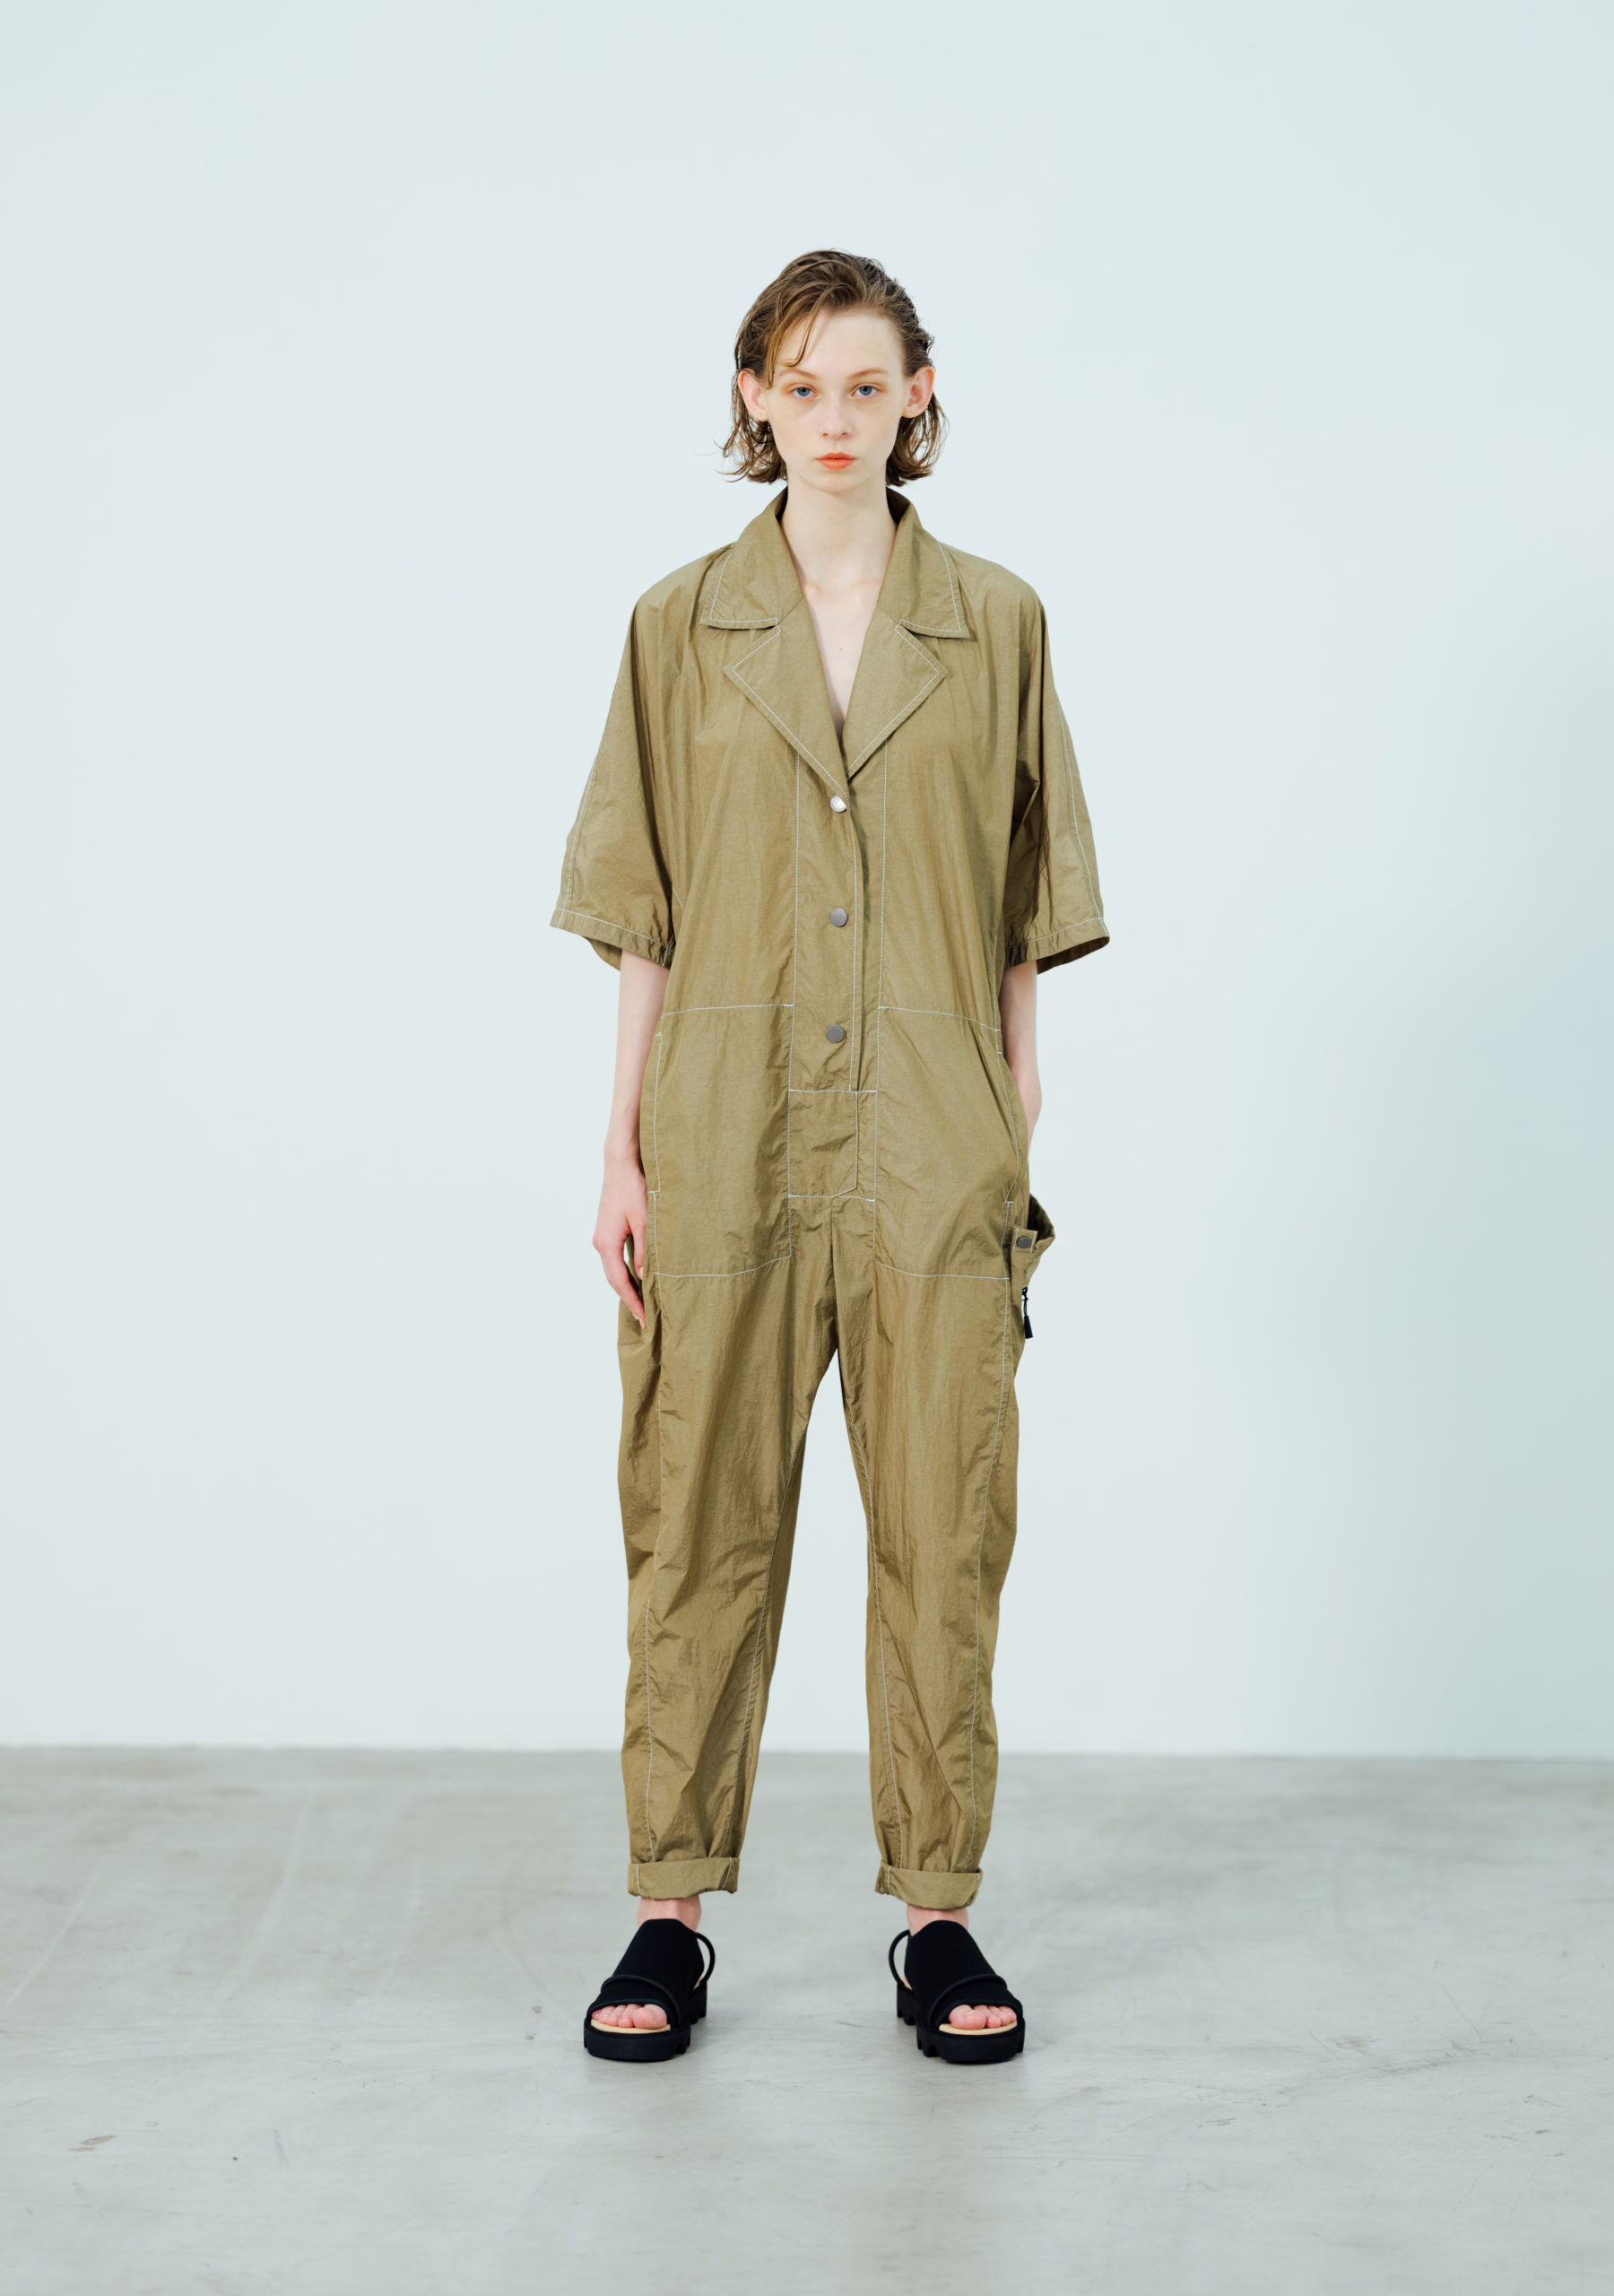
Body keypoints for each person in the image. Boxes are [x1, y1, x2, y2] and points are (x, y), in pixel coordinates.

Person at [552, 250, 1107, 2066]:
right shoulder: (679, 626)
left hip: (933, 1137)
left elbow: (1023, 908)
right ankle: (667, 1911)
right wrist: (620, 1145)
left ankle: (937, 1917)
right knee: (695, 1518)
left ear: (918, 394)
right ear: (753, 400)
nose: (834, 419)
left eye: (866, 384)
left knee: (944, 1528)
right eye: (800, 387)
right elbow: (643, 911)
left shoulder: (996, 622)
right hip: (721, 1130)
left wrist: (1010, 1111)